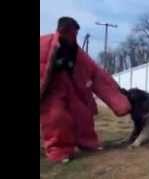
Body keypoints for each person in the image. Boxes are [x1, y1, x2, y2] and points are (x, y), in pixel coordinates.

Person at [40, 17, 131, 163]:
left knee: (83, 113)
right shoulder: (44, 43)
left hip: (70, 86)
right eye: (73, 31)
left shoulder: (78, 53)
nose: (74, 35)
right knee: (56, 116)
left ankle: (88, 143)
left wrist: (118, 98)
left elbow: (98, 75)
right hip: (51, 89)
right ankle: (59, 151)